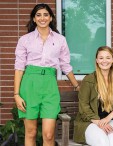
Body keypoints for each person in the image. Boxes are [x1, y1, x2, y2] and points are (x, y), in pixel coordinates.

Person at [14, 3, 79, 146]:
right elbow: (19, 68)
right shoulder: (25, 40)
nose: (42, 18)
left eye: (45, 15)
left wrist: (76, 85)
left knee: (49, 135)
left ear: (51, 18)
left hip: (50, 85)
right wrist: (17, 94)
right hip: (29, 84)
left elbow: (65, 65)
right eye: (38, 15)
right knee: (30, 133)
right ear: (34, 19)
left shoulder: (60, 39)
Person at [73, 46, 113, 146]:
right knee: (102, 142)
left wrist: (107, 119)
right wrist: (99, 122)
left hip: (112, 120)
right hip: (90, 122)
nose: (104, 61)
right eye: (101, 58)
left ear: (112, 59)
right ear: (97, 60)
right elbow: (84, 106)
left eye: (108, 57)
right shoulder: (89, 80)